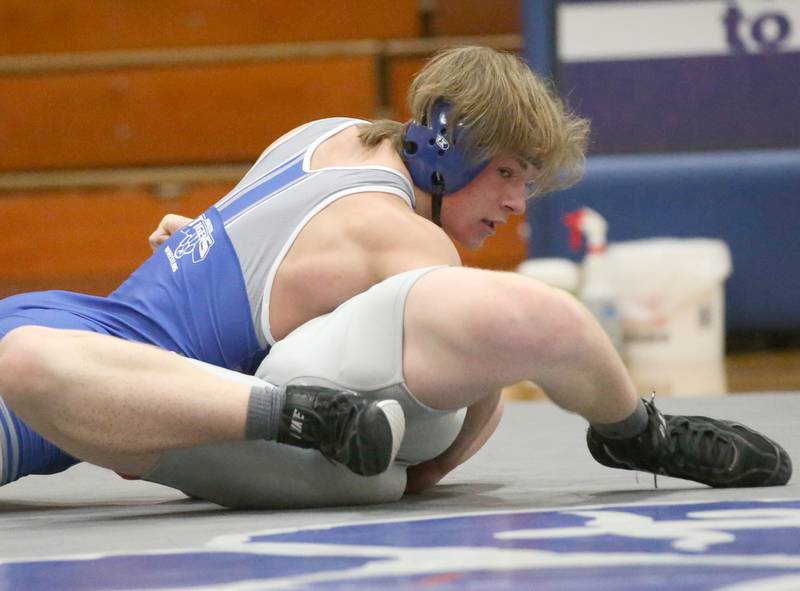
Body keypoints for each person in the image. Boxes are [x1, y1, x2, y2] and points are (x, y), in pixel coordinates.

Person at [0, 47, 791, 507]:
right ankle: (299, 416)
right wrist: (432, 464)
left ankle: (295, 413)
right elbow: (469, 412)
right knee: (26, 365)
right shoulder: (403, 240)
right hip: (68, 368)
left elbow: (227, 228)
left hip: (77, 324)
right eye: (508, 174)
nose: (516, 204)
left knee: (31, 356)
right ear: (449, 154)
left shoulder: (326, 135)